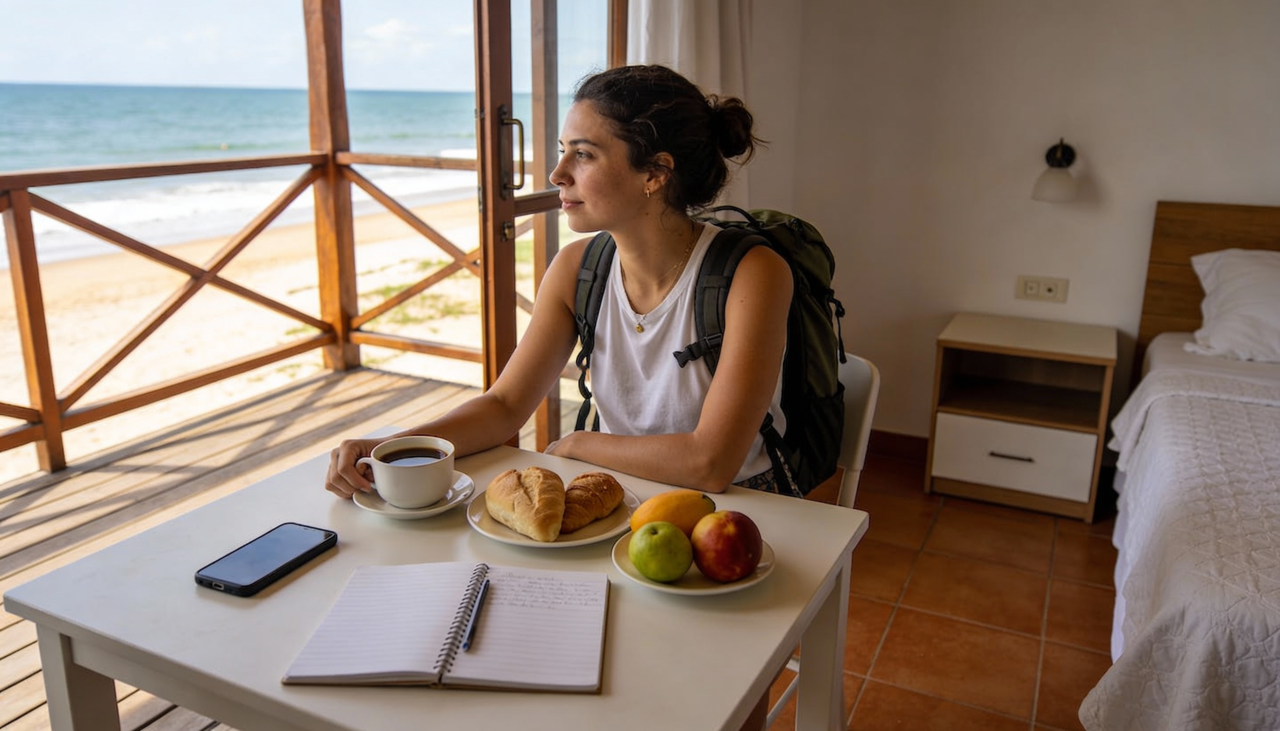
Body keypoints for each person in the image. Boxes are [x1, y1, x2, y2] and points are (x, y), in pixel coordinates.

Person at [325, 63, 791, 499]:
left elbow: (711, 463)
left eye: (583, 154)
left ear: (654, 172)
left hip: (742, 507)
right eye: (562, 151)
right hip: (620, 491)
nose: (556, 174)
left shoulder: (751, 273)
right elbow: (505, 405)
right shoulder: (576, 268)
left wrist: (578, 446)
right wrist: (389, 447)